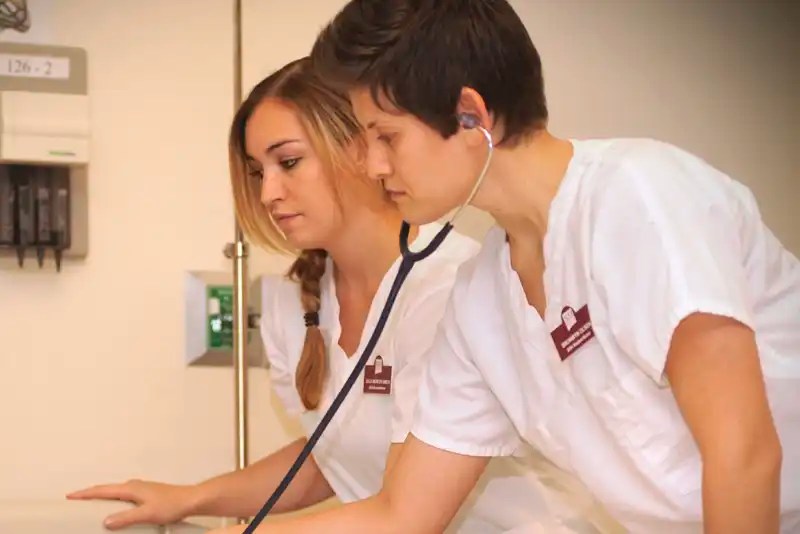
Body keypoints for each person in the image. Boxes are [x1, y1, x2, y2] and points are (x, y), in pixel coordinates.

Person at [208, 1, 800, 533]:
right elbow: (403, 515)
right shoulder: (481, 295)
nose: (373, 165)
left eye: (386, 137)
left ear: (471, 116)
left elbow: (743, 455)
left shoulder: (637, 197)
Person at [66, 57, 614, 533]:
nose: (269, 193)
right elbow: (330, 456)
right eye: (257, 172)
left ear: (360, 148)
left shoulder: (447, 287)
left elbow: (405, 514)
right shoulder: (292, 304)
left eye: (288, 162)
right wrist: (190, 499)